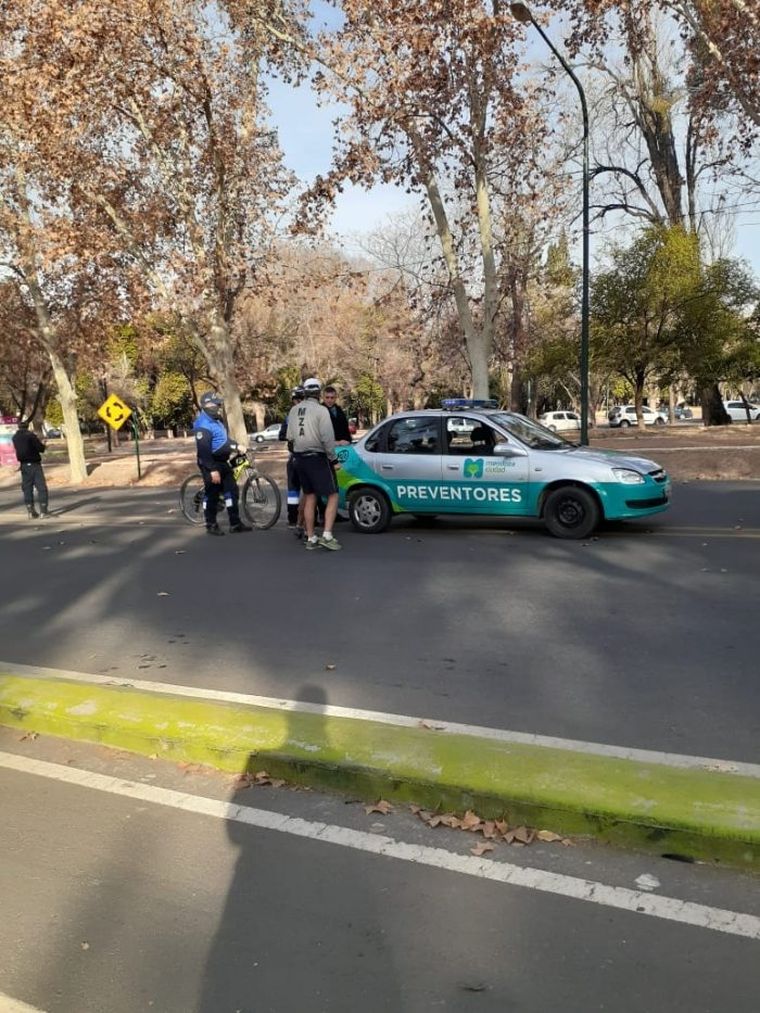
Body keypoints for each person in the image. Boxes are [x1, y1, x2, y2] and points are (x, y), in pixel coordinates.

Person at [286, 378, 342, 551]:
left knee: (310, 496)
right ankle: (327, 535)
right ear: (318, 393)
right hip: (317, 457)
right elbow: (327, 438)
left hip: (299, 458)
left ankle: (311, 537)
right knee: (333, 495)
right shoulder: (321, 410)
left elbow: (289, 437)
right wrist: (333, 460)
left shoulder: (294, 410)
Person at [193, 391, 251, 536]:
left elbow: (223, 441)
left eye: (219, 404)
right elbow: (204, 451)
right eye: (216, 404)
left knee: (231, 491)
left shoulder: (217, 421)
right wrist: (212, 470)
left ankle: (235, 523)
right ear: (207, 405)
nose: (219, 407)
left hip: (222, 461)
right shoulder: (203, 424)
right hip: (210, 463)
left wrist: (237, 446)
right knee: (212, 494)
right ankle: (211, 524)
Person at [279, 386, 306, 536]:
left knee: (294, 492)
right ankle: (299, 520)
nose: (298, 402)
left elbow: (282, 434)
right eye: (298, 399)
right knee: (304, 491)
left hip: (294, 457)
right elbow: (282, 434)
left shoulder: (290, 415)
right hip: (302, 457)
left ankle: (293, 520)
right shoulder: (305, 414)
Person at [12, 421, 50, 519]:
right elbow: (40, 448)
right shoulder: (31, 436)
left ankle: (30, 510)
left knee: (27, 488)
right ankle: (43, 511)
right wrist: (44, 444)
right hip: (35, 464)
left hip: (24, 465)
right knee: (41, 487)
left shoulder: (15, 437)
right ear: (28, 426)